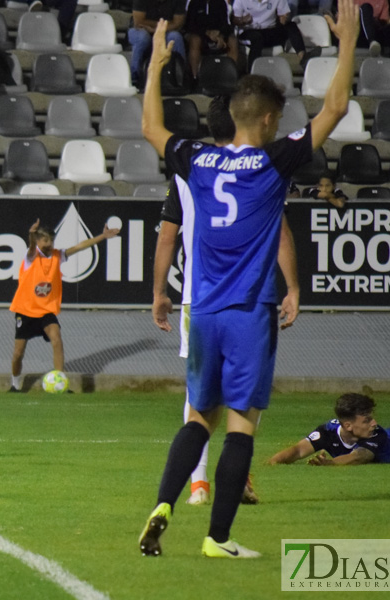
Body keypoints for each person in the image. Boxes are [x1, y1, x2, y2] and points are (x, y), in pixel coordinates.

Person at [137, 5, 357, 559]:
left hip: (203, 312)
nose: (280, 128)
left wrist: (157, 65)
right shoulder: (275, 160)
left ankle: (163, 503)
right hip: (248, 314)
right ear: (263, 120)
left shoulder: (197, 159)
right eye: (277, 120)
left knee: (197, 419)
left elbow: (150, 128)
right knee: (241, 427)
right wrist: (349, 43)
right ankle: (217, 538)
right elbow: (335, 106)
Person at [152, 95, 298, 507]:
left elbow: (167, 235)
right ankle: (238, 482)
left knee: (198, 392)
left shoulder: (189, 169)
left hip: (199, 297)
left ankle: (197, 484)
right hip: (250, 298)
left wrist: (159, 291)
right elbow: (282, 231)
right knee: (245, 395)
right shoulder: (258, 169)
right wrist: (293, 287)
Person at [8, 219, 120, 393]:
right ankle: (14, 384)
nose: (49, 244)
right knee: (18, 353)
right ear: (38, 241)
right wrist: (31, 234)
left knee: (57, 339)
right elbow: (31, 248)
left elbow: (80, 246)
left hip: (46, 310)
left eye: (51, 241)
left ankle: (60, 381)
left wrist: (102, 237)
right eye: (45, 241)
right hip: (26, 310)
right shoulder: (31, 257)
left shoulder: (57, 255)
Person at [268, 393, 390, 466]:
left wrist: (329, 463)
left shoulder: (377, 433)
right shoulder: (328, 430)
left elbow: (359, 457)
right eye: (366, 420)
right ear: (348, 425)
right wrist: (273, 462)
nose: (374, 423)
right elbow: (298, 450)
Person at [233, 0, 312, 66]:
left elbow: (283, 17)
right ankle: (252, 70)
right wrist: (243, 20)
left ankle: (303, 57)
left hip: (269, 31)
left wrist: (284, 18)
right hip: (249, 31)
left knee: (291, 25)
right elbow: (234, 20)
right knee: (257, 37)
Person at [129, 0, 187, 89]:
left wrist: (157, 29)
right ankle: (134, 77)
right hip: (140, 29)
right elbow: (138, 22)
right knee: (142, 38)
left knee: (175, 37)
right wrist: (161, 26)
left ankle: (180, 76)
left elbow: (177, 23)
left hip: (166, 30)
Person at [183, 0, 238, 79]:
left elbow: (225, 24)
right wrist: (207, 32)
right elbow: (190, 26)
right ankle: (195, 77)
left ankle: (230, 76)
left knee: (233, 41)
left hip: (217, 34)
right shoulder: (194, 3)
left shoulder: (221, 2)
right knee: (195, 40)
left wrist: (220, 35)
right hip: (199, 33)